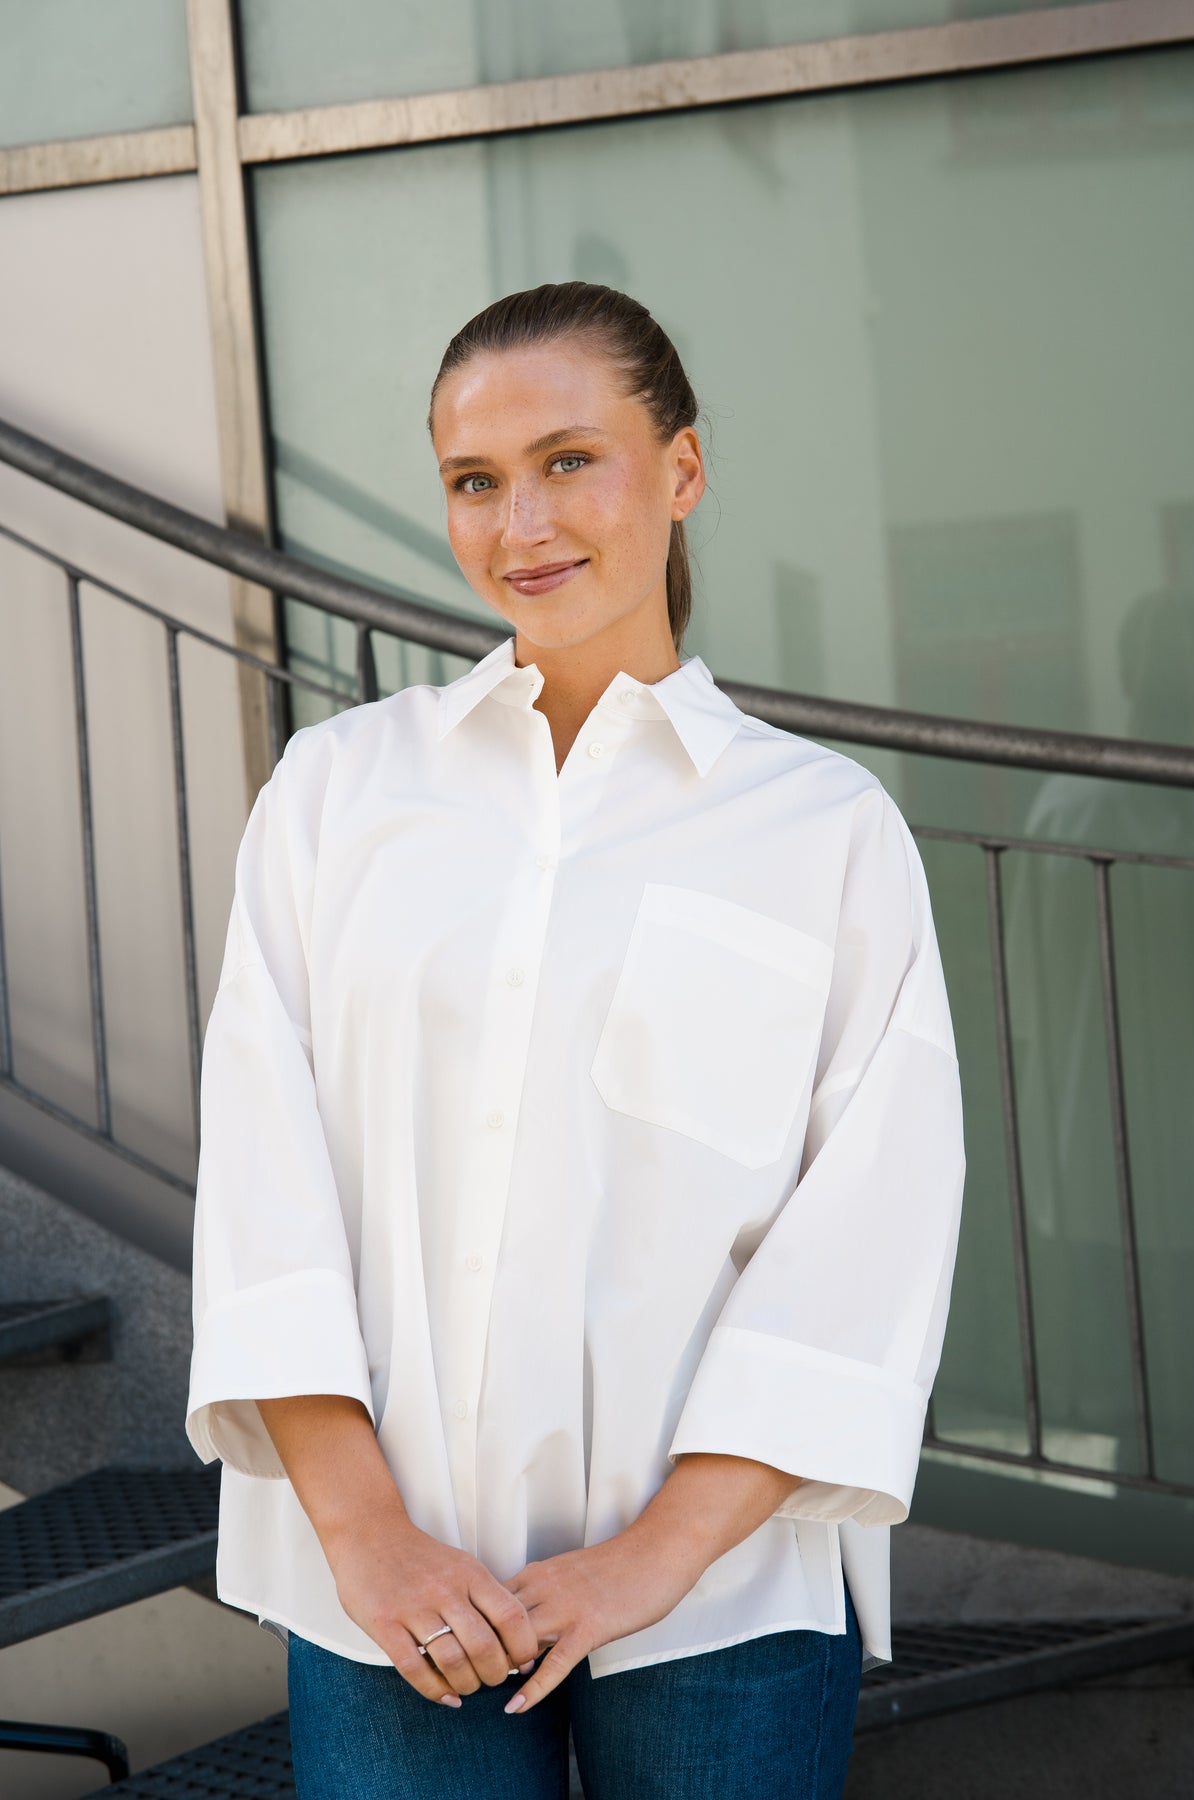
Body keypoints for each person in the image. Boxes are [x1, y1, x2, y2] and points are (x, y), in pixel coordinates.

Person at [184, 281, 966, 1800]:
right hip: (395, 1595)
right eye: (475, 481)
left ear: (682, 469)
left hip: (721, 1600)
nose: (521, 524)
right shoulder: (337, 794)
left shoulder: (824, 830)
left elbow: (867, 1232)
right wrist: (367, 1534)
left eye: (567, 461)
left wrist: (654, 1557)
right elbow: (266, 1173)